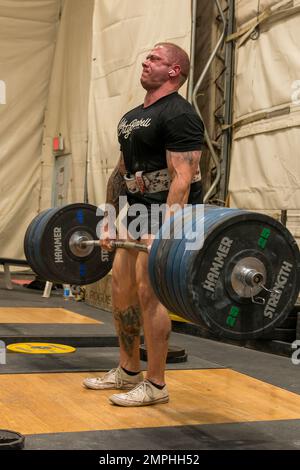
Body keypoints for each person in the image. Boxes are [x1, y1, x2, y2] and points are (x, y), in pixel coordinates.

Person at [83, 42, 204, 406]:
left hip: (168, 214)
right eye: (147, 57)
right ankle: (128, 369)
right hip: (135, 212)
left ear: (174, 71)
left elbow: (183, 178)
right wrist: (107, 219)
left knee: (150, 294)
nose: (145, 61)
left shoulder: (180, 114)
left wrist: (167, 232)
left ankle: (156, 385)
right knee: (121, 291)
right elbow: (122, 173)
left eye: (155, 58)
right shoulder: (132, 116)